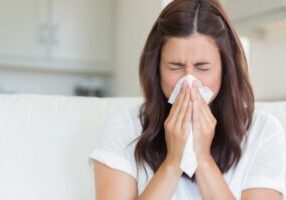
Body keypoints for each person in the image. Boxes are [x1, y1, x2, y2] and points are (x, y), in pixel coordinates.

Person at [89, 0, 286, 199]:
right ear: (156, 68)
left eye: (202, 67)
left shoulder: (263, 131)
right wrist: (173, 162)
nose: (189, 82)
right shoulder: (124, 125)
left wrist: (203, 159)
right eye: (175, 66)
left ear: (226, 69)